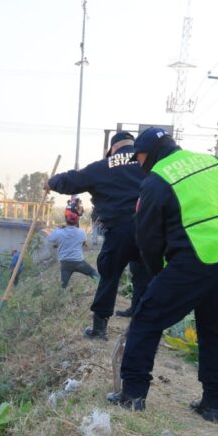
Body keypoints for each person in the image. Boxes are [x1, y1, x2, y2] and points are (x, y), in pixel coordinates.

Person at [109, 127, 218, 422]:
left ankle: (133, 394)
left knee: (147, 317)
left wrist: (157, 274)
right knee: (215, 331)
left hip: (194, 260)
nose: (138, 164)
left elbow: (148, 239)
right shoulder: (217, 162)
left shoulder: (158, 179)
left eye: (138, 157)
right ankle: (213, 404)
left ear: (148, 153)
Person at [44, 130, 150, 338]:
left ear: (112, 149)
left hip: (119, 230)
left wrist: (51, 182)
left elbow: (73, 180)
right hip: (149, 229)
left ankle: (99, 329)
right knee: (144, 276)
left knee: (109, 277)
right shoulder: (148, 163)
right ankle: (141, 325)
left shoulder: (104, 166)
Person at [47, 211, 98, 288]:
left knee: (63, 285)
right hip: (79, 262)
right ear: (77, 221)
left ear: (66, 221)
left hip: (65, 263)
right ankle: (103, 286)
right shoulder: (82, 233)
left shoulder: (59, 233)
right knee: (93, 273)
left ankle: (60, 297)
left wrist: (58, 228)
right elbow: (83, 243)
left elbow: (50, 238)